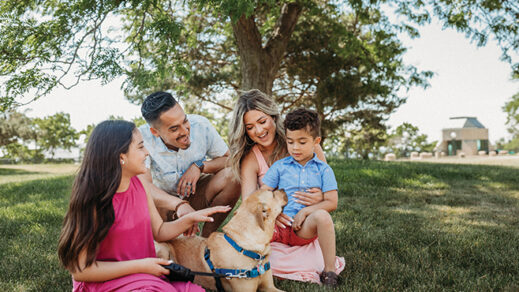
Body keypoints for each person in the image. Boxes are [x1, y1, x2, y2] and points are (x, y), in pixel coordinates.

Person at [58, 120, 231, 291]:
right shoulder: (93, 202)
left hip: (143, 275)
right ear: (121, 157)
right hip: (105, 282)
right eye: (141, 147)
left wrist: (189, 219)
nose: (147, 153)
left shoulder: (140, 186)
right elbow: (80, 271)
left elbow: (160, 231)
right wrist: (142, 266)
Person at [228, 89, 344, 284]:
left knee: (321, 221)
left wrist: (317, 201)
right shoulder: (253, 159)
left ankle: (327, 270)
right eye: (250, 127)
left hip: (303, 225)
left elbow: (328, 196)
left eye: (262, 121)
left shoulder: (308, 144)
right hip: (274, 228)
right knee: (246, 249)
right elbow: (250, 204)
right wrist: (270, 211)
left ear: (273, 117)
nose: (258, 130)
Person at [138, 91, 240, 237]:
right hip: (162, 205)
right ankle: (167, 239)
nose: (185, 131)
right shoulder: (142, 139)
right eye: (174, 128)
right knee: (150, 206)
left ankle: (206, 238)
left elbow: (230, 160)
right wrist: (179, 205)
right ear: (155, 132)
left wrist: (200, 166)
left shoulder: (201, 125)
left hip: (195, 195)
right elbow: (145, 187)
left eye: (185, 121)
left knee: (233, 175)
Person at [260, 108, 339, 287]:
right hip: (278, 225)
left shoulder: (324, 170)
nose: (295, 147)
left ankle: (330, 271)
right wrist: (273, 210)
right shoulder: (280, 166)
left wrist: (305, 211)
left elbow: (332, 202)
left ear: (315, 141)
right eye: (290, 142)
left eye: (302, 142)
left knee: (323, 217)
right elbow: (264, 191)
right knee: (254, 221)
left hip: (302, 230)